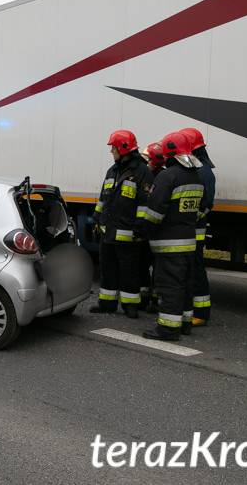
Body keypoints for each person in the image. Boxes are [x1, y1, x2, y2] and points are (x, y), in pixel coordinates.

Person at [137, 131, 204, 340]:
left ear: (170, 152)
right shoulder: (196, 177)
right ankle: (184, 323)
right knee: (184, 284)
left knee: (169, 286)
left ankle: (167, 329)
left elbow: (155, 211)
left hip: (169, 243)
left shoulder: (167, 176)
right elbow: (199, 210)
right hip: (188, 241)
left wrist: (142, 230)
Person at [90, 130, 154, 318]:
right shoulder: (113, 170)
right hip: (108, 231)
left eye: (113, 148)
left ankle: (130, 306)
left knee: (129, 271)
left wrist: (139, 226)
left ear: (124, 148)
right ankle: (107, 304)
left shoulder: (142, 172)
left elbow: (145, 203)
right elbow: (104, 198)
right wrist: (96, 218)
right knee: (107, 269)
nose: (112, 151)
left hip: (128, 234)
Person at [181, 127, 216, 327]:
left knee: (195, 269)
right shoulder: (201, 170)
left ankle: (201, 312)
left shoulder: (201, 172)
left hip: (194, 230)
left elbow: (204, 205)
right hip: (191, 230)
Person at [138, 142, 166, 312]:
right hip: (148, 227)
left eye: (148, 158)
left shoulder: (159, 177)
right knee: (144, 264)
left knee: (156, 266)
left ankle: (154, 299)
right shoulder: (149, 174)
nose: (145, 161)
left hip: (153, 228)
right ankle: (145, 297)